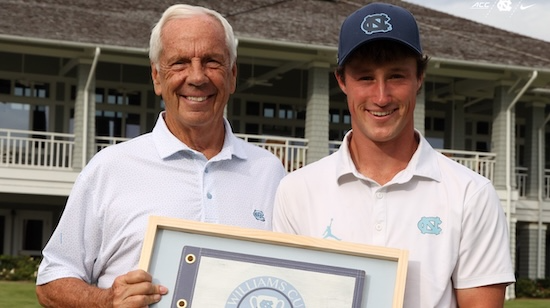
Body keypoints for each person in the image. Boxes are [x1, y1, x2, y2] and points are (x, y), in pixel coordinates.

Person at [36, 4, 286, 307]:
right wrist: (105, 301)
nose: (197, 77)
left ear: (232, 76)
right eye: (179, 63)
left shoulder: (270, 172)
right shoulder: (110, 168)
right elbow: (52, 280)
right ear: (156, 77)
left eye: (212, 62)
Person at [272, 2, 515, 307]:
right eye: (365, 78)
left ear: (420, 78)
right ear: (342, 81)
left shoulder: (471, 194)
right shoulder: (297, 190)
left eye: (397, 76)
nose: (381, 96)